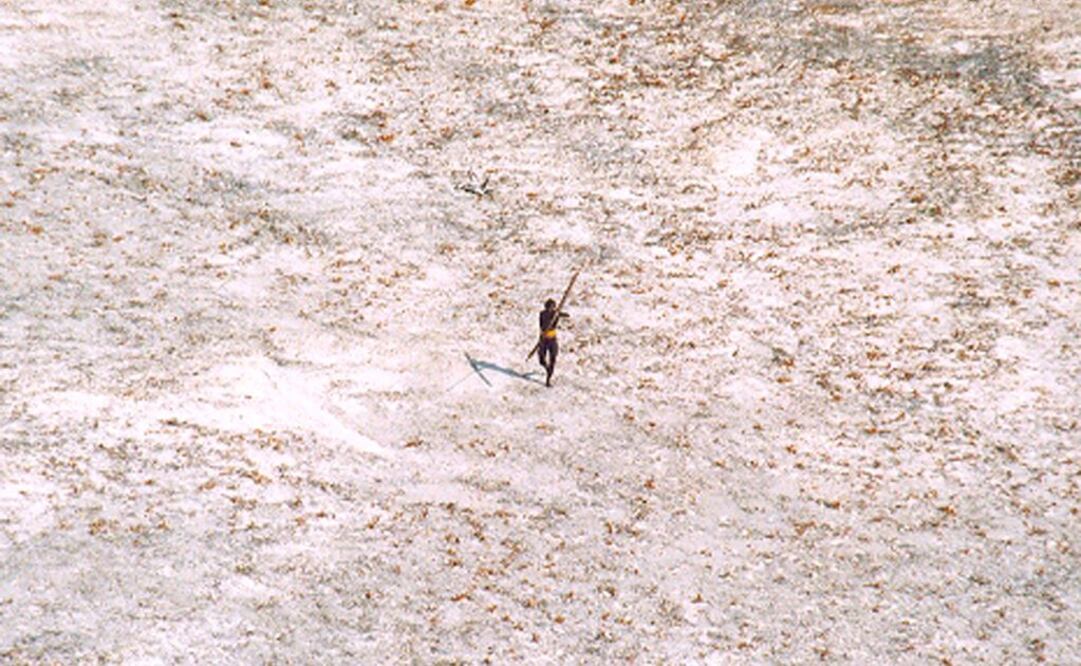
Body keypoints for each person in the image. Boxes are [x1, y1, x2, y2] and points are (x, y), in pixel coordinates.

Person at [538, 298, 569, 387]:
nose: (551, 309)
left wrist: (558, 314)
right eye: (550, 307)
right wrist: (554, 315)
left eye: (552, 307)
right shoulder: (542, 314)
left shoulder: (555, 314)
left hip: (552, 339)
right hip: (543, 339)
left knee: (553, 358)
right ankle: (547, 369)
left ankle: (548, 379)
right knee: (541, 359)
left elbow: (566, 315)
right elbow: (543, 325)